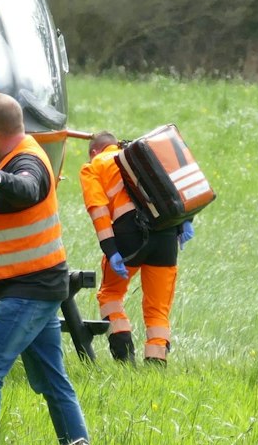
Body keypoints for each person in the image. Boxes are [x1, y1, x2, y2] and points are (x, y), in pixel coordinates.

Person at [0, 93, 91, 445]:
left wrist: (1, 179)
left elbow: (29, 187)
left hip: (30, 289)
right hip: (38, 286)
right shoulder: (13, 157)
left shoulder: (28, 161)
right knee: (51, 378)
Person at [79, 131, 192, 364]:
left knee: (111, 294)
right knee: (158, 306)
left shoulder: (93, 166)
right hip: (166, 235)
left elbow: (98, 209)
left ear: (94, 152)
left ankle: (123, 356)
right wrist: (185, 221)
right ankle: (156, 363)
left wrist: (111, 250)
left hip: (129, 237)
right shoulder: (139, 158)